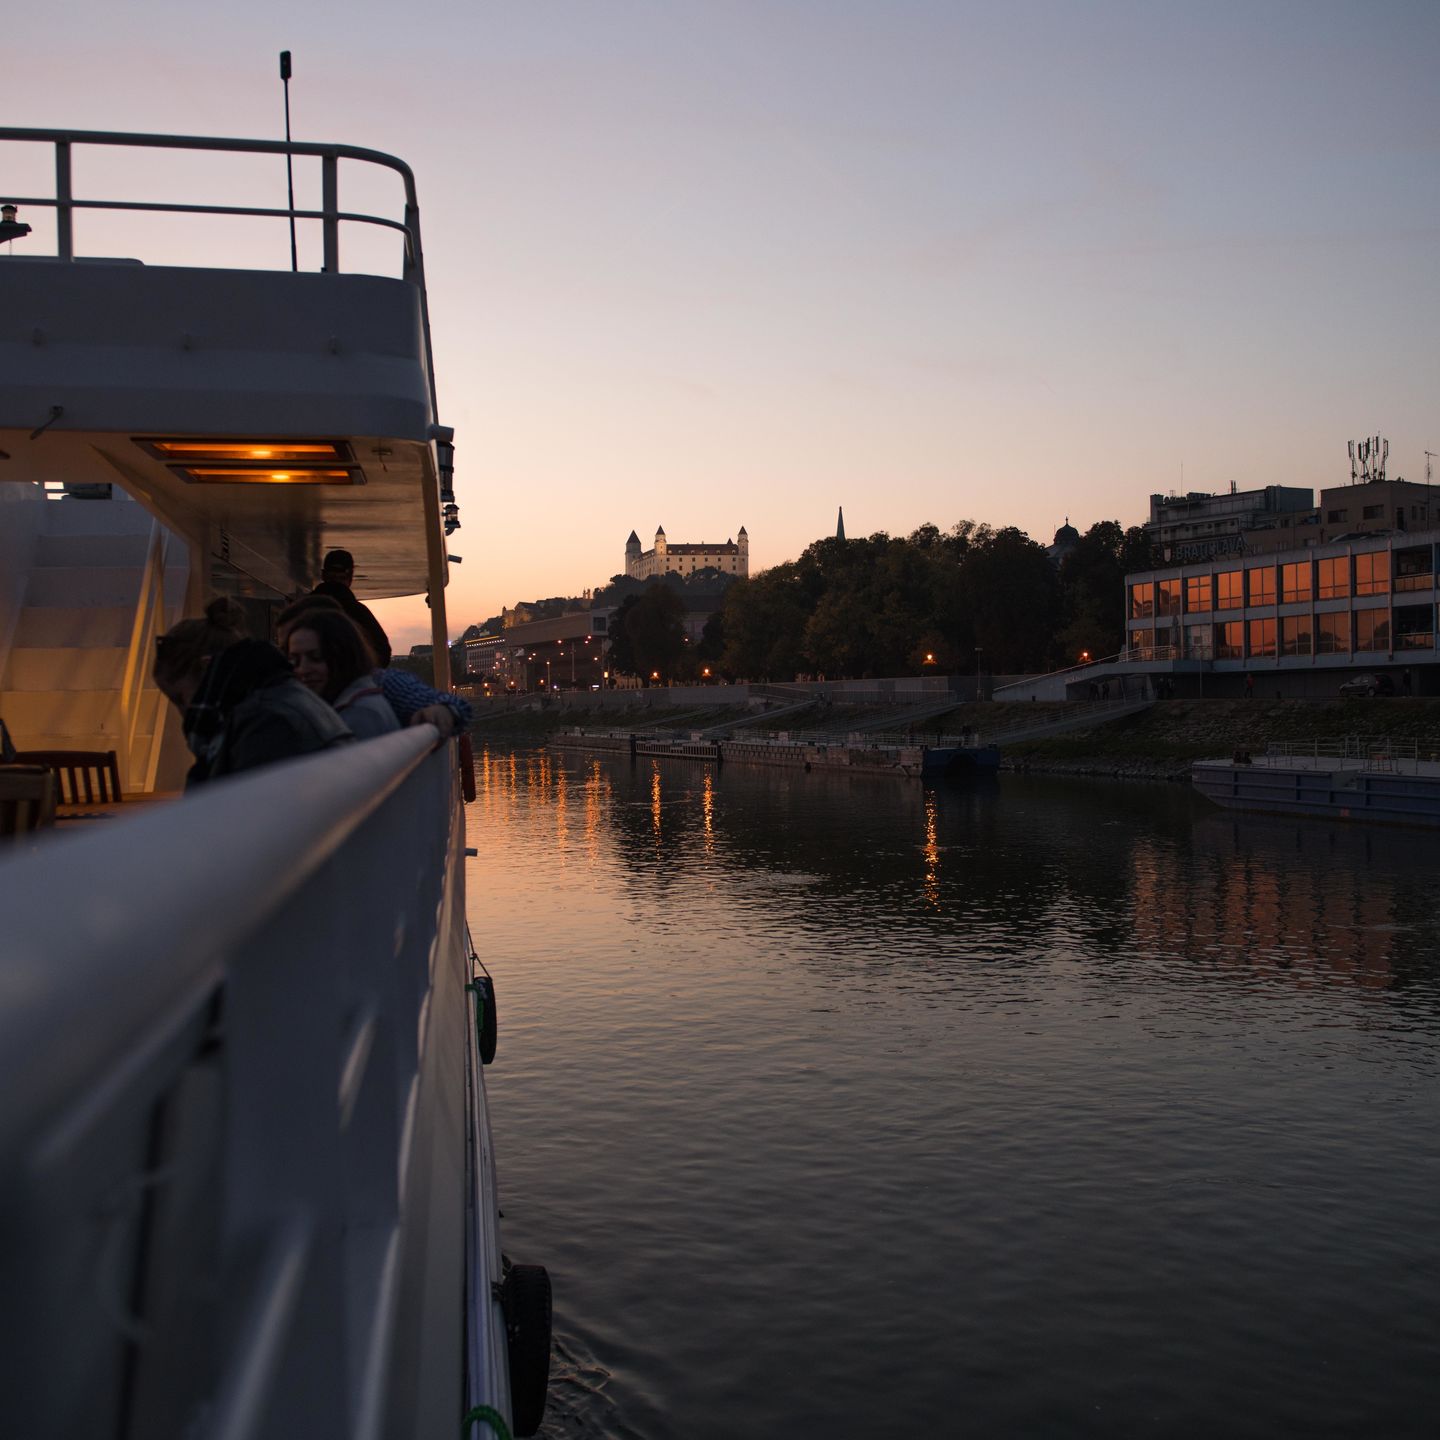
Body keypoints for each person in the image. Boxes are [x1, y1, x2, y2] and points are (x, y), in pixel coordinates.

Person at [154, 598, 353, 788]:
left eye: (180, 699)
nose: (183, 713)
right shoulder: (279, 699)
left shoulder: (265, 724)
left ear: (207, 667)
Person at [276, 593, 473, 736]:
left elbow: (457, 707)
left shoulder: (381, 684)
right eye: (292, 656)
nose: (301, 668)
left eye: (315, 655)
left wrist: (443, 711)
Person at [286, 608, 399, 739]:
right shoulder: (363, 702)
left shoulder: (359, 715)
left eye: (316, 657)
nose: (302, 669)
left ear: (344, 655)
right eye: (294, 660)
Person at [312, 548, 392, 668]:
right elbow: (382, 653)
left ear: (323, 575)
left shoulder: (303, 609)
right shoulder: (358, 612)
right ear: (350, 579)